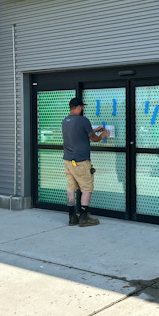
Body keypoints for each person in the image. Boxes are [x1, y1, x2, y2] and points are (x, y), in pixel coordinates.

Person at [62, 97, 110, 227]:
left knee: (71, 188)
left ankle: (72, 216)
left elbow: (79, 133)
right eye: (81, 107)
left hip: (68, 161)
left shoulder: (65, 121)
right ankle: (84, 216)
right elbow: (93, 139)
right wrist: (102, 136)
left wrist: (94, 129)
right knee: (87, 188)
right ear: (78, 107)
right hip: (81, 161)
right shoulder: (83, 120)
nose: (82, 109)